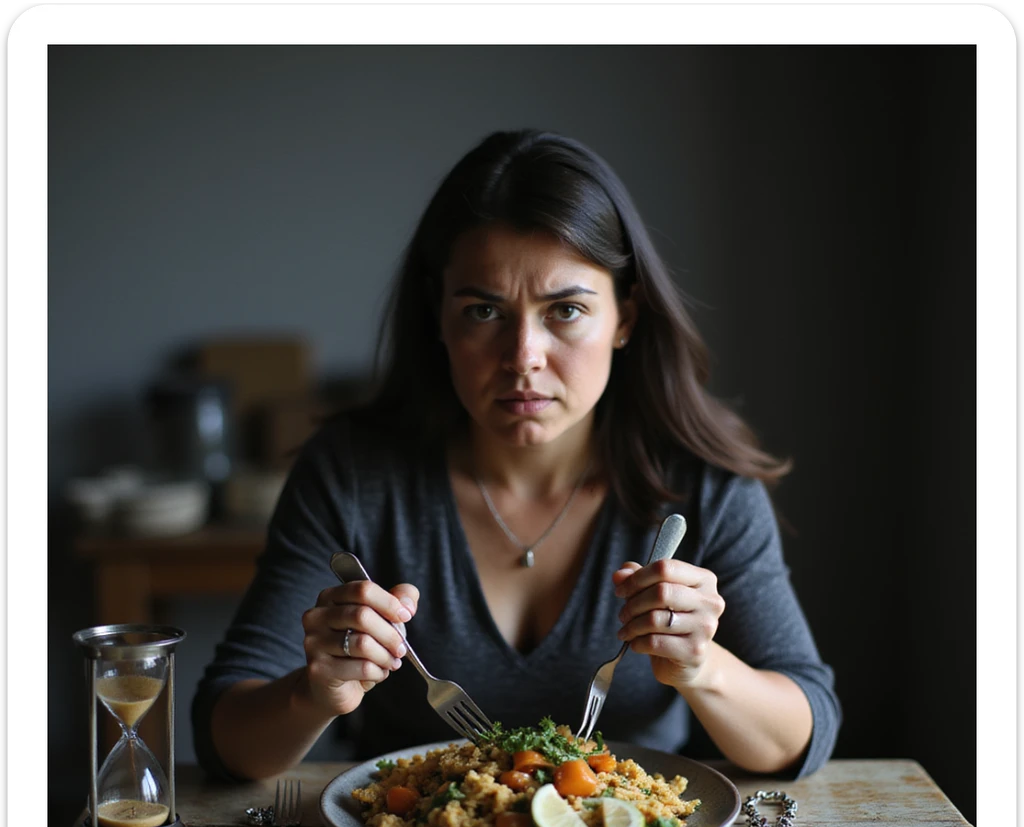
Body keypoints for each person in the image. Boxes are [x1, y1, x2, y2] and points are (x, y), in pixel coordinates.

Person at [192, 128, 840, 783]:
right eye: (483, 311)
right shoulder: (351, 474)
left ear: (625, 318)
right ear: (437, 316)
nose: (523, 356)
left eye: (565, 310)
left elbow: (807, 731)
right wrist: (314, 693)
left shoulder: (705, 485)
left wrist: (706, 669)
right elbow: (225, 735)